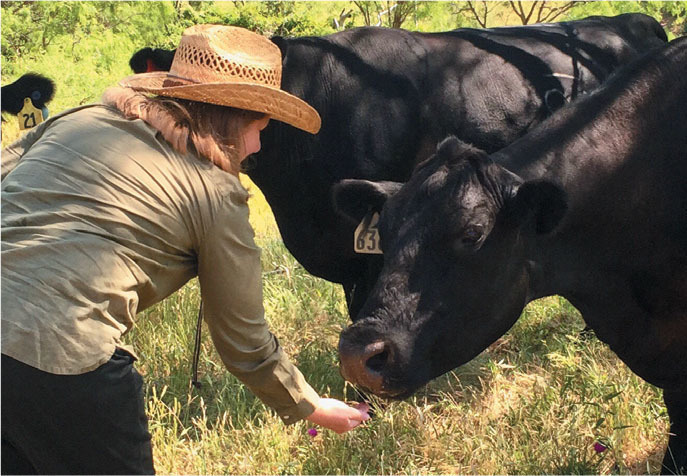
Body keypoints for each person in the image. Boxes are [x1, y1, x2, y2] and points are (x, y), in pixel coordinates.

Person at [1, 24, 370, 475]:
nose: (257, 146)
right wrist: (310, 406)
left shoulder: (81, 118)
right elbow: (244, 341)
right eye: (259, 128)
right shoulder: (214, 195)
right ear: (234, 120)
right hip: (63, 358)